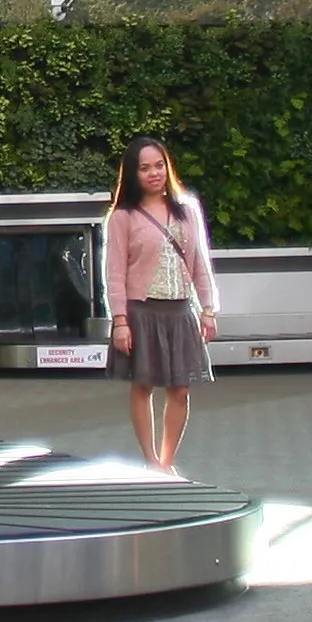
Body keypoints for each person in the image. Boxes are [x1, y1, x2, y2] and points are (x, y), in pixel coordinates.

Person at [104, 136, 219, 476]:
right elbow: (114, 273)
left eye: (159, 165)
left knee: (180, 388)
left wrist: (208, 309)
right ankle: (150, 459)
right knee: (142, 384)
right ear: (133, 174)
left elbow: (200, 263)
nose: (154, 173)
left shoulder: (187, 209)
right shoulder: (123, 216)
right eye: (144, 168)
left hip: (181, 310)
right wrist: (120, 321)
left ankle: (166, 462)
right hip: (142, 311)